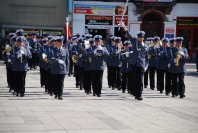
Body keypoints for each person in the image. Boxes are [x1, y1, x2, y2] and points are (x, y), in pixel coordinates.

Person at [120, 22, 149, 100]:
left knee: (140, 80)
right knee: (134, 79)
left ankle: (139, 94)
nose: (140, 38)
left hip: (141, 65)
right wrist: (124, 26)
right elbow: (128, 34)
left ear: (143, 37)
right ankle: (135, 93)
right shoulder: (134, 42)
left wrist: (146, 66)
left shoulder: (146, 46)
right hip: (134, 64)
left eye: (141, 37)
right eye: (139, 37)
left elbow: (146, 57)